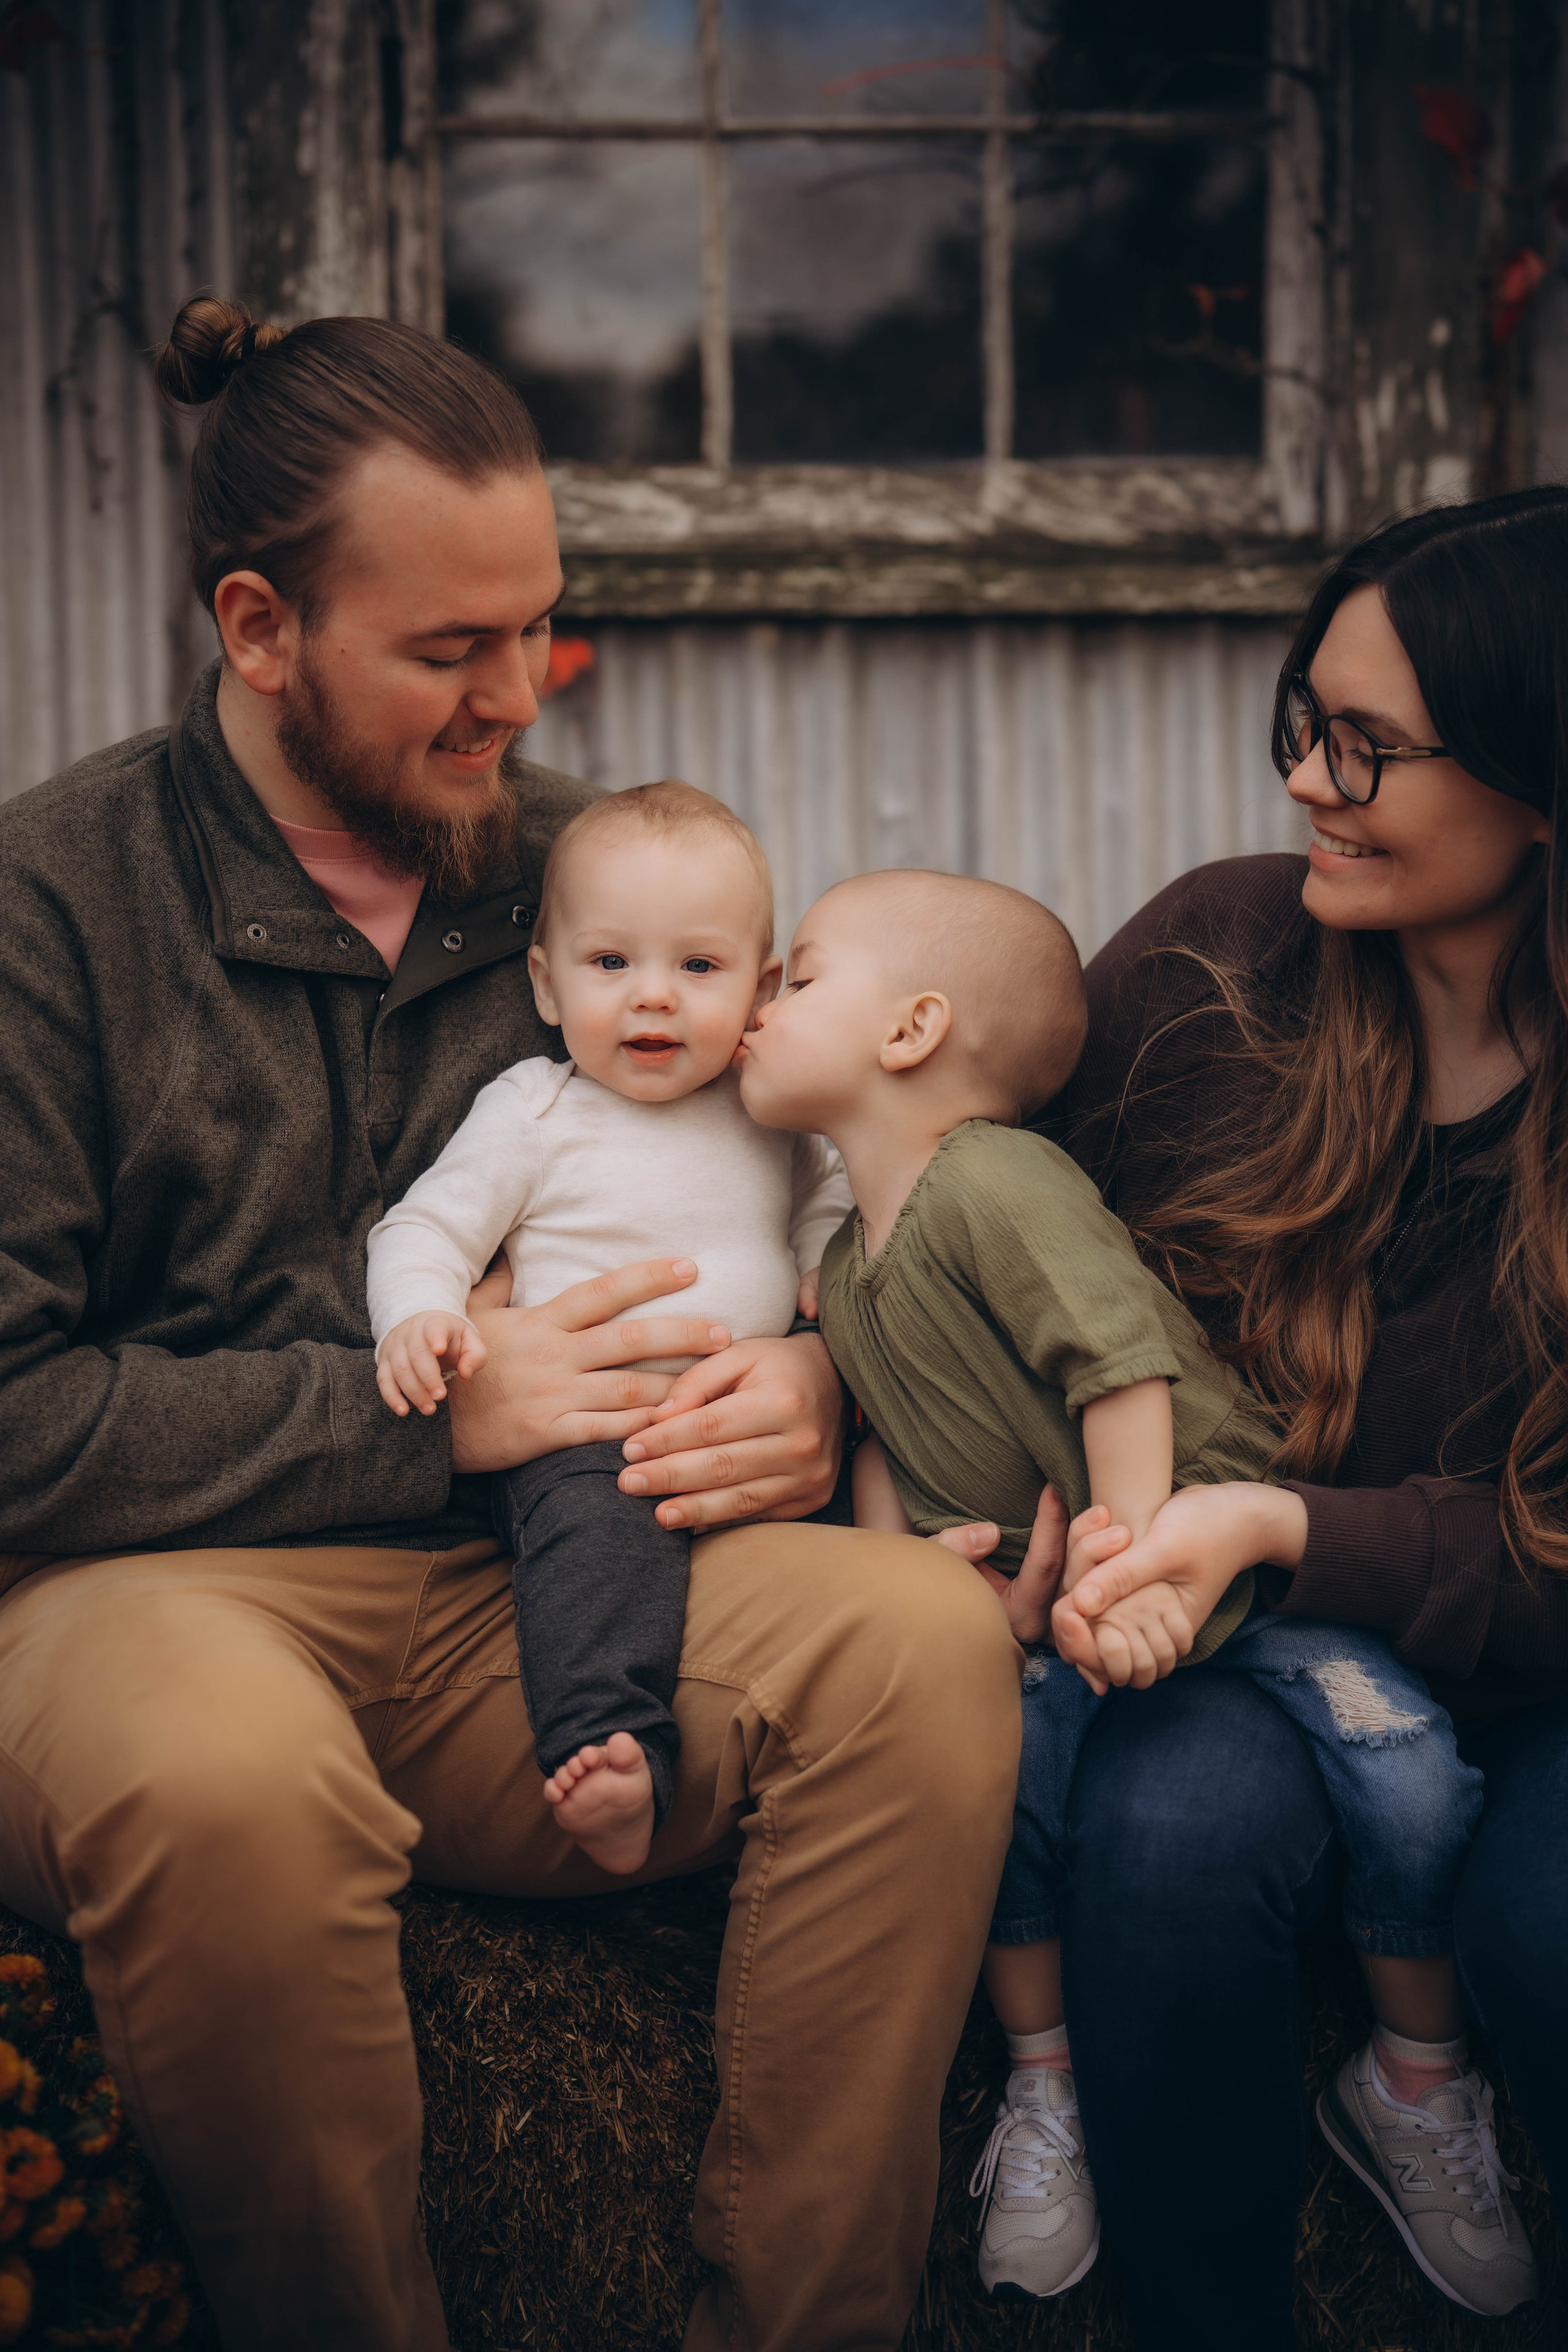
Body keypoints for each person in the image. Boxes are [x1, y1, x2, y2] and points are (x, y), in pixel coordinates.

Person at [0, 296, 1023, 2352]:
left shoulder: (603, 879)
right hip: (149, 1600)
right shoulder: (53, 904)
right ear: (260, 628)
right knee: (224, 1785)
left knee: (913, 1648)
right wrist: (426, 1429)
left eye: (538, 630)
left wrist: (816, 1379)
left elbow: (833, 1171)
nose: (512, 697)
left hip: (547, 1605)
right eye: (446, 651)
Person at [737, 867, 1521, 2313]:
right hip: (1054, 1616)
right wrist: (903, 1590)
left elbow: (1120, 1369)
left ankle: (1412, 2073)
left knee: (1405, 1773)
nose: (756, 1003)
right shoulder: (846, 1264)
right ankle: (1045, 2089)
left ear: (911, 1029)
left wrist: (1141, 1559)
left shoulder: (995, 1182)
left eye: (793, 975)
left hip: (1222, 1575)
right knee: (996, 1808)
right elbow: (882, 1445)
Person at [1025, 486, 1568, 2350]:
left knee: (1546, 1930)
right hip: (1244, 1650)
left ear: (1541, 774)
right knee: (1168, 1852)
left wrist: (1283, 1525)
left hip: (1538, 1666)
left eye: (1372, 749)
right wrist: (849, 1393)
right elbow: (980, 1227)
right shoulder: (1212, 968)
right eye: (1303, 725)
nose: (1311, 785)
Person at [369, 782, 851, 1875]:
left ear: (760, 989)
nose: (654, 1000)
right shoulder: (533, 1111)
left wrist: (827, 1282)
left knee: (858, 1518)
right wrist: (420, 1317)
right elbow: (425, 1227)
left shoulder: (768, 1112)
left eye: (698, 967)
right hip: (588, 1436)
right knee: (598, 1555)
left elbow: (831, 1204)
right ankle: (609, 1743)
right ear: (546, 982)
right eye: (609, 964)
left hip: (746, 1438)